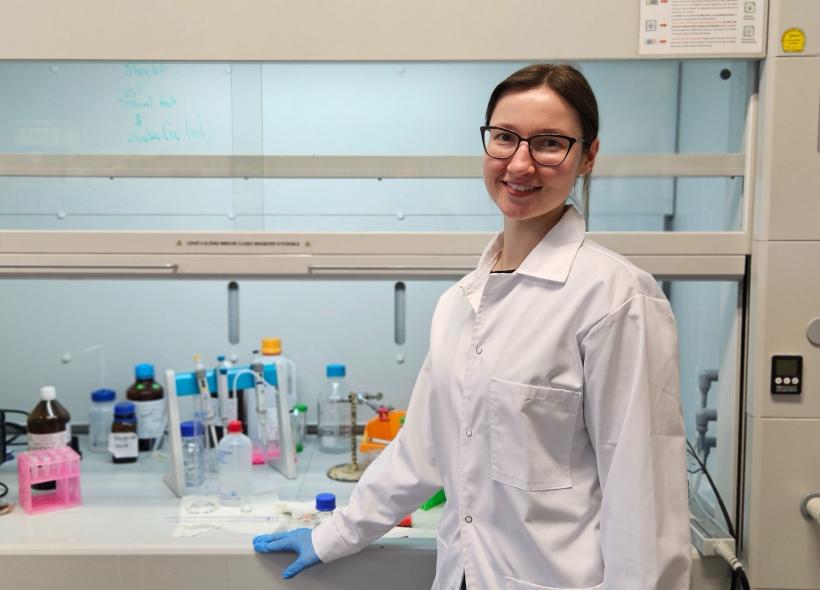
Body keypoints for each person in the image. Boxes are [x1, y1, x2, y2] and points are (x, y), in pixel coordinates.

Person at [253, 63, 692, 589]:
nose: (520, 163)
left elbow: (643, 500)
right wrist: (334, 535)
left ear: (588, 156)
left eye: (549, 143)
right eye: (505, 138)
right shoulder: (461, 302)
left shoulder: (615, 298)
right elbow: (421, 452)